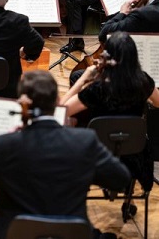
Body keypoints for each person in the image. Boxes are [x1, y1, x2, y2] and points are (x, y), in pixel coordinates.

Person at [0, 69, 131, 239]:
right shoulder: (85, 141)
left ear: (22, 104)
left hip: (16, 232)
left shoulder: (5, 144)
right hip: (71, 232)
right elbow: (121, 179)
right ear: (57, 101)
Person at [61, 31, 159, 217]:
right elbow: (158, 102)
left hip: (99, 152)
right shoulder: (143, 81)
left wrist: (83, 79)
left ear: (108, 56)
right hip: (135, 154)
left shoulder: (98, 88)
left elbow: (62, 109)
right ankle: (128, 200)